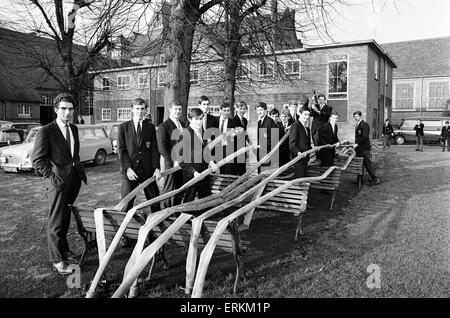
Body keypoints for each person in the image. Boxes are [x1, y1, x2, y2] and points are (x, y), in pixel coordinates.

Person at [32, 93, 87, 275]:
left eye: (70, 109)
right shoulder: (46, 131)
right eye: (63, 108)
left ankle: (64, 250)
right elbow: (38, 160)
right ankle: (56, 260)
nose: (67, 112)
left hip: (73, 181)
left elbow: (73, 155)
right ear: (56, 109)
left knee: (65, 218)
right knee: (55, 221)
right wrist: (52, 178)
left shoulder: (74, 129)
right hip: (57, 183)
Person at [118, 98, 161, 213]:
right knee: (126, 203)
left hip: (147, 170)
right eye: (137, 109)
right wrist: (128, 169)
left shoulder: (150, 127)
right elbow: (121, 150)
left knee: (155, 201)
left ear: (145, 110)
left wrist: (156, 168)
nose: (140, 111)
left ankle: (157, 226)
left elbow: (154, 149)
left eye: (142, 109)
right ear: (132, 109)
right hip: (130, 170)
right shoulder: (123, 127)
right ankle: (124, 227)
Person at [181, 108, 218, 203]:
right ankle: (185, 217)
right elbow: (182, 159)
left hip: (204, 172)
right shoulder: (184, 135)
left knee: (205, 200)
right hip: (192, 174)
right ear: (190, 119)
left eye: (201, 119)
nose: (199, 122)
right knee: (189, 200)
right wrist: (194, 172)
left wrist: (211, 161)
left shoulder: (202, 132)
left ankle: (203, 217)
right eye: (196, 119)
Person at [157, 100, 186, 208]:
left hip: (183, 162)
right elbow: (162, 148)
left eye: (179, 109)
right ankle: (167, 213)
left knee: (180, 188)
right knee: (169, 189)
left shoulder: (183, 125)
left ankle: (176, 211)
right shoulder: (163, 126)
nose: (178, 112)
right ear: (170, 110)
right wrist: (173, 161)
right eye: (175, 109)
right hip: (171, 163)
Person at [353, 111, 380, 185]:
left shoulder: (364, 125)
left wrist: (357, 144)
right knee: (359, 164)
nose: (356, 118)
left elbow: (365, 137)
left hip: (364, 149)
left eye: (357, 116)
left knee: (367, 164)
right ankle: (359, 180)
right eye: (355, 117)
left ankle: (375, 179)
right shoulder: (357, 124)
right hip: (359, 149)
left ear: (361, 116)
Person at [216, 101, 241, 175]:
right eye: (224, 110)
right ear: (220, 110)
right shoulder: (215, 120)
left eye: (228, 111)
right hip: (217, 150)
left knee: (228, 171)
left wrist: (235, 134)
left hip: (228, 150)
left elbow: (240, 132)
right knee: (220, 171)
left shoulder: (233, 122)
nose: (226, 112)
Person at [289, 106, 312, 178]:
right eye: (305, 114)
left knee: (304, 178)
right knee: (300, 179)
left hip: (305, 158)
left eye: (308, 115)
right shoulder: (295, 125)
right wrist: (298, 153)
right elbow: (292, 144)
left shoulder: (306, 127)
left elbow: (307, 142)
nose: (307, 116)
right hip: (298, 159)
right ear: (300, 114)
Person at [256, 101, 277, 172]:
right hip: (260, 154)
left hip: (268, 154)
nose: (259, 112)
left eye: (261, 110)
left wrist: (262, 145)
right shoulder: (259, 122)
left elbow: (274, 139)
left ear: (265, 110)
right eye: (257, 110)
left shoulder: (270, 121)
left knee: (266, 176)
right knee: (260, 175)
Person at [234, 101, 249, 175]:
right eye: (240, 108)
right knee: (236, 170)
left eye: (244, 109)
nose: (242, 111)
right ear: (236, 109)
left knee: (243, 170)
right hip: (235, 149)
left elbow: (245, 134)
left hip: (243, 148)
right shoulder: (233, 120)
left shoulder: (245, 120)